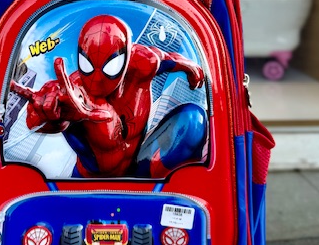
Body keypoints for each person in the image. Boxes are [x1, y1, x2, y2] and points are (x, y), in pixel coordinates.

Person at [11, 14, 207, 177]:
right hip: (89, 181)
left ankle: (170, 193)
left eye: (109, 67)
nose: (97, 79)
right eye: (87, 65)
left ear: (126, 57)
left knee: (193, 120)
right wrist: (48, 115)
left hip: (139, 169)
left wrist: (190, 68)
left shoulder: (143, 63)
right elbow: (40, 117)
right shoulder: (71, 91)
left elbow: (170, 59)